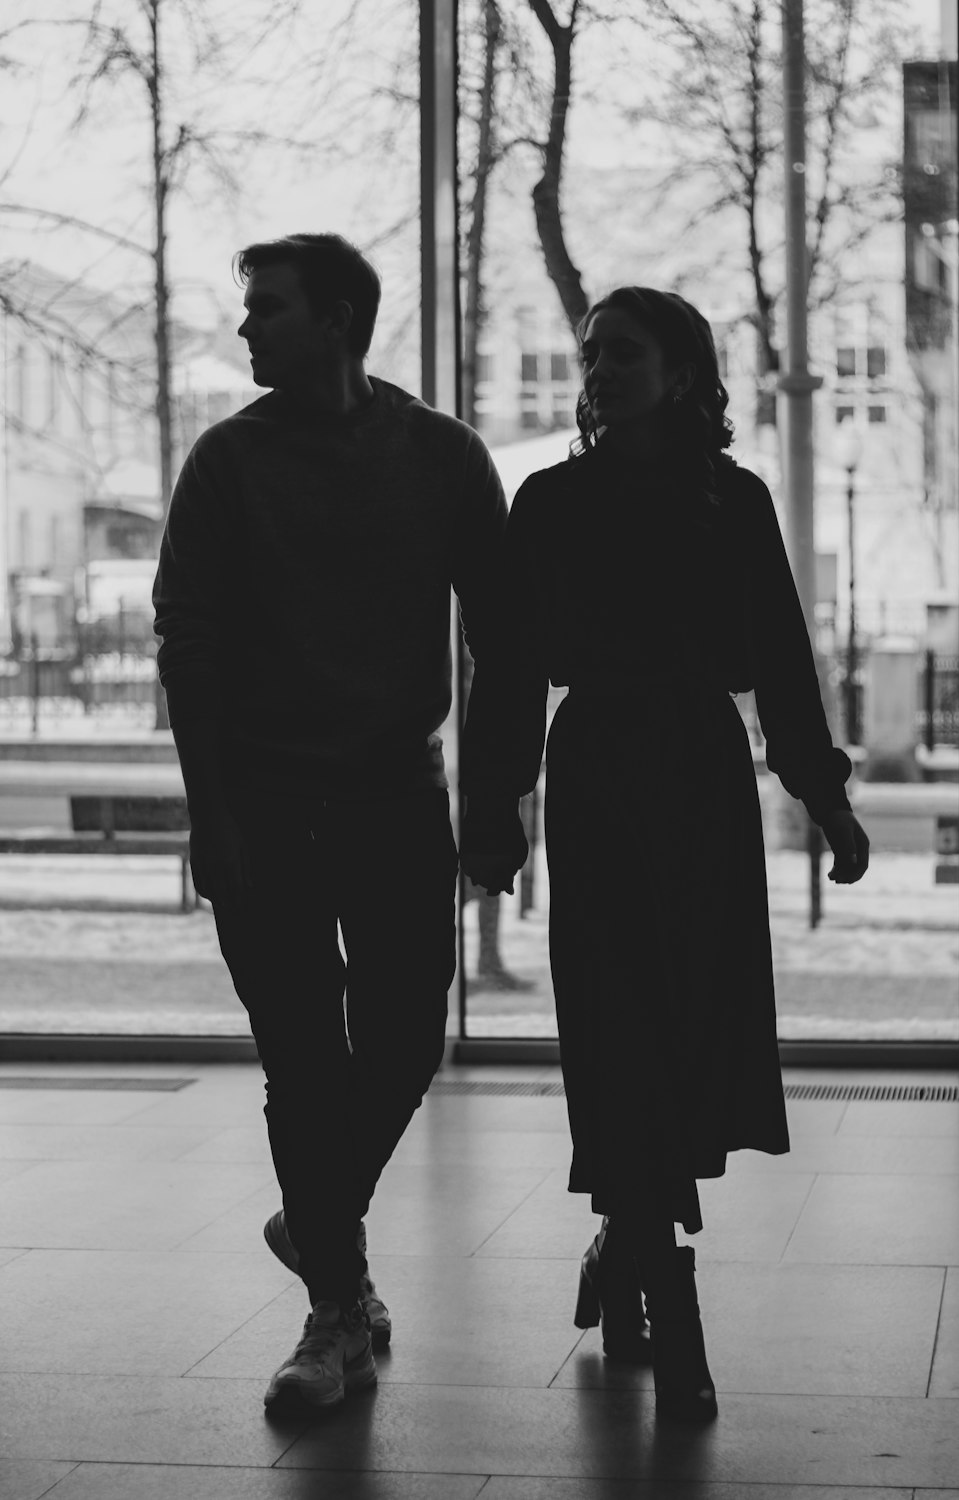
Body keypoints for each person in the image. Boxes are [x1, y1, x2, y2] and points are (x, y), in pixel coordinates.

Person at [459, 286, 869, 1424]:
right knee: (619, 1021)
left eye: (621, 352)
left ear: (682, 372)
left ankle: (624, 1242)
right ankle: (667, 1287)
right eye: (591, 353)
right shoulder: (545, 501)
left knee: (677, 1025)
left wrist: (823, 799)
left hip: (694, 776)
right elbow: (509, 666)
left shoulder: (730, 501)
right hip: (602, 776)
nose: (597, 368)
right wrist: (493, 804)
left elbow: (782, 660)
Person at [152, 232, 516, 1414]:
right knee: (301, 1058)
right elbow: (188, 648)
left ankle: (315, 1220)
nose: (247, 327)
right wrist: (210, 817)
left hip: (394, 799)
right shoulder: (226, 461)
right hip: (262, 805)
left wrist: (497, 798)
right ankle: (333, 1312)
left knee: (408, 1038)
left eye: (266, 308)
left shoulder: (442, 456)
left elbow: (501, 641)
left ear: (339, 320)